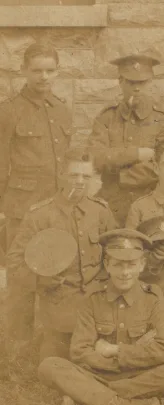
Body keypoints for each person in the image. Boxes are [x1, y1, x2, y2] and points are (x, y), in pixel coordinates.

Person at [37, 229, 164, 405]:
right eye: (118, 265)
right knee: (49, 366)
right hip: (98, 373)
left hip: (138, 373)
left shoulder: (153, 297)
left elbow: (162, 349)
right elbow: (79, 351)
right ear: (107, 264)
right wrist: (116, 365)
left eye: (131, 265)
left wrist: (115, 351)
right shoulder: (92, 297)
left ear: (141, 265)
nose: (125, 272)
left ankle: (88, 397)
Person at [6, 147, 117, 359]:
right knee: (57, 361)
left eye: (86, 176)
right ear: (62, 175)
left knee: (104, 359)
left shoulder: (101, 211)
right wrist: (39, 281)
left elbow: (115, 250)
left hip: (98, 302)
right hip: (60, 305)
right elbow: (14, 262)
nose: (80, 181)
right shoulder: (40, 215)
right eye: (74, 175)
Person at [0, 43, 73, 254]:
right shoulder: (9, 111)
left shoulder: (62, 109)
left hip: (57, 204)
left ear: (57, 71)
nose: (44, 77)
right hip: (23, 207)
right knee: (21, 265)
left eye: (50, 71)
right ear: (23, 70)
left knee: (56, 261)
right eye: (37, 70)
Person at [89, 54, 164, 223]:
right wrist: (136, 154)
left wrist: (119, 171)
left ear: (150, 82)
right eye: (131, 82)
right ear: (120, 81)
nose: (136, 88)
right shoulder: (106, 118)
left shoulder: (161, 120)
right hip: (111, 203)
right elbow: (95, 158)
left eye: (141, 82)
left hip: (149, 203)